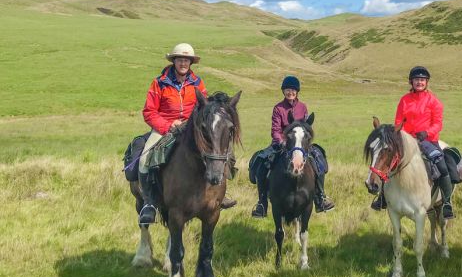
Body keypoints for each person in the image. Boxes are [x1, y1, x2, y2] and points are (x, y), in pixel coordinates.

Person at [137, 43, 235, 225]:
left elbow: (204, 109)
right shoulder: (159, 83)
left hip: (191, 129)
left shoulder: (198, 83)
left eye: (187, 60)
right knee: (144, 159)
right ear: (174, 61)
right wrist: (168, 125)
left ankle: (219, 193)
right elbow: (149, 112)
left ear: (191, 63)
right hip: (164, 128)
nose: (183, 63)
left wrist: (194, 124)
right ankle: (149, 203)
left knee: (218, 151)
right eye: (180, 59)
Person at [371, 66, 455, 219]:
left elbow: (438, 123)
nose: (419, 82)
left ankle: (447, 202)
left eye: (422, 80)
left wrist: (427, 132)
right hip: (406, 141)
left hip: (428, 140)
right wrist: (401, 136)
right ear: (411, 82)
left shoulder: (434, 102)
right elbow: (398, 121)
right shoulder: (404, 100)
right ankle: (383, 197)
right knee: (388, 162)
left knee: (442, 166)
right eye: (417, 79)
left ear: (427, 82)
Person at [250, 75, 335, 218]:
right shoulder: (278, 108)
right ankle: (262, 203)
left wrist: (304, 141)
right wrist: (284, 142)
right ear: (283, 91)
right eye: (288, 90)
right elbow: (275, 130)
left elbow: (306, 128)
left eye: (293, 90)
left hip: (301, 144)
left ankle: (320, 198)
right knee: (262, 163)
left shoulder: (303, 107)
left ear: (297, 92)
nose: (290, 92)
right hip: (282, 144)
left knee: (318, 160)